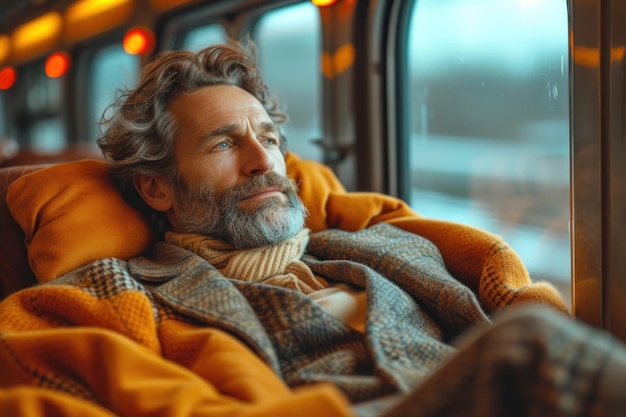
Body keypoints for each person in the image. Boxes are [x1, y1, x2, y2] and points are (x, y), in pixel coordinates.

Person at [1, 40, 625, 417]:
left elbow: (503, 293)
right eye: (225, 143)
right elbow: (33, 360)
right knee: (532, 343)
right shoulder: (122, 293)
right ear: (156, 187)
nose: (263, 161)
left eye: (268, 138)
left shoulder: (383, 244)